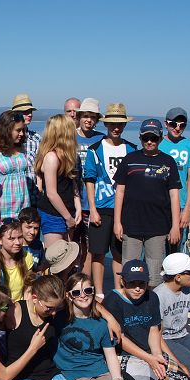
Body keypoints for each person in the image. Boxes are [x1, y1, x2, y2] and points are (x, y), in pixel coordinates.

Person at [113, 119, 181, 288]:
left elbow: (174, 195)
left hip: (158, 226)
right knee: (130, 272)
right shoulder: (129, 159)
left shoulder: (168, 162)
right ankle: (129, 301)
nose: (149, 141)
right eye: (146, 138)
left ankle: (153, 301)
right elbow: (119, 192)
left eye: (154, 138)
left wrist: (175, 226)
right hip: (131, 224)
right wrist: (117, 222)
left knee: (155, 275)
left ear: (160, 138)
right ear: (140, 138)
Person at [86, 103, 136, 297]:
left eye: (120, 124)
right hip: (101, 207)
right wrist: (92, 209)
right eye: (112, 123)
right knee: (98, 252)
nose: (116, 127)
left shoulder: (131, 149)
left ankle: (119, 291)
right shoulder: (95, 149)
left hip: (124, 209)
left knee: (119, 253)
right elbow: (89, 180)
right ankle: (99, 293)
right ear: (106, 124)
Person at [34, 115, 80, 247]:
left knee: (69, 255)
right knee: (55, 256)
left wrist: (78, 207)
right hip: (54, 214)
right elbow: (51, 193)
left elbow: (72, 183)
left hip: (68, 211)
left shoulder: (68, 155)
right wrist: (68, 218)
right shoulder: (51, 157)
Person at [160, 107, 190, 252]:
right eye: (173, 124)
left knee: (175, 249)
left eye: (182, 125)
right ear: (166, 124)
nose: (177, 128)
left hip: (181, 204)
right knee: (156, 249)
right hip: (159, 204)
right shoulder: (157, 143)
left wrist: (187, 210)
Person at [74, 98, 105, 276]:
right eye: (85, 116)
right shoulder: (70, 137)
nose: (88, 120)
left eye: (93, 117)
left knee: (90, 246)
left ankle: (85, 282)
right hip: (73, 199)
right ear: (79, 117)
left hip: (93, 202)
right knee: (72, 245)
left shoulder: (101, 139)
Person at [0, 111, 30, 220]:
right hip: (2, 210)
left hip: (23, 208)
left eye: (23, 130)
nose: (21, 134)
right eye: (18, 130)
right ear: (7, 130)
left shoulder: (21, 148)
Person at [10, 93, 41, 207]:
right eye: (25, 111)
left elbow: (40, 166)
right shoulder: (6, 140)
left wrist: (40, 187)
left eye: (30, 111)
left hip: (33, 196)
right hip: (12, 198)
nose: (29, 114)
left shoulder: (36, 138)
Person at [0, 219, 34, 302]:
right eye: (11, 238)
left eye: (20, 237)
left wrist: (25, 308)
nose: (17, 242)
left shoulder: (26, 257)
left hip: (20, 305)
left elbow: (28, 291)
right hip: (0, 305)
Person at [19, 207, 46, 272]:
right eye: (29, 227)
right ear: (20, 225)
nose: (32, 232)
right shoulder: (15, 246)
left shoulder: (38, 245)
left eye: (36, 228)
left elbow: (40, 268)